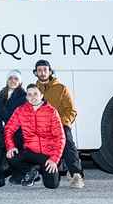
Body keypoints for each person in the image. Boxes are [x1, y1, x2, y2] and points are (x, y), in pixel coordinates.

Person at [34, 59, 85, 188]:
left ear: (50, 71)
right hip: (40, 128)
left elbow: (71, 110)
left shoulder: (61, 88)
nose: (42, 72)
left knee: (67, 139)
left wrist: (62, 123)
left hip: (59, 124)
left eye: (45, 70)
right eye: (39, 70)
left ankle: (76, 174)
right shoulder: (34, 90)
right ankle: (32, 171)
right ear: (36, 73)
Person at [4, 83, 64, 189]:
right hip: (30, 152)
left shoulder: (51, 111)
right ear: (26, 97)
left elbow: (60, 137)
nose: (33, 97)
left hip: (48, 155)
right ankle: (30, 171)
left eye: (35, 94)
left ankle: (38, 169)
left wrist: (54, 159)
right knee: (11, 156)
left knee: (52, 185)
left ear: (41, 95)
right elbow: (8, 129)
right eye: (29, 95)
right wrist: (10, 146)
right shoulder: (20, 110)